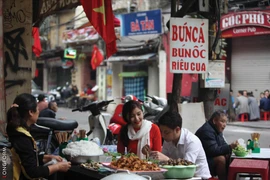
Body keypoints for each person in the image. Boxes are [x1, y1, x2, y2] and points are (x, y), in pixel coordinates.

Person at [6, 93, 71, 180]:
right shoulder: (22, 138)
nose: (38, 111)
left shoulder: (16, 130)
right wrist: (57, 167)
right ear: (31, 112)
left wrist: (47, 157)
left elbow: (26, 159)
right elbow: (32, 172)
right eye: (37, 109)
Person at [148, 111, 211, 179]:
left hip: (199, 177)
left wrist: (167, 160)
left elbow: (186, 168)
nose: (162, 135)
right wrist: (151, 154)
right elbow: (161, 163)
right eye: (161, 131)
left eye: (166, 132)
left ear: (177, 129)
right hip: (177, 176)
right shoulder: (168, 139)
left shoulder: (192, 141)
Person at [195, 110, 239, 180]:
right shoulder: (207, 131)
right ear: (214, 121)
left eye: (226, 122)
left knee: (229, 156)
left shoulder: (217, 129)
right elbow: (213, 150)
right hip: (201, 161)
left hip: (209, 157)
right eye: (222, 121)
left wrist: (231, 148)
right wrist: (230, 147)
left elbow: (223, 144)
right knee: (221, 159)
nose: (224, 125)